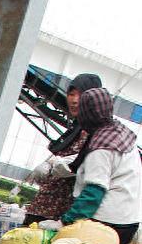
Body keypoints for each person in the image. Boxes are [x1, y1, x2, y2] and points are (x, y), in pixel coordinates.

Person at [42, 87, 141, 244]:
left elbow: (94, 192)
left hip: (106, 223)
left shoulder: (101, 148)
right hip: (128, 221)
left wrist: (64, 222)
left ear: (86, 115)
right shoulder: (118, 131)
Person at [25, 73, 102, 226]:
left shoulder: (96, 130)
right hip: (44, 205)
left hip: (61, 212)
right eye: (71, 94)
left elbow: (81, 161)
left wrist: (53, 163)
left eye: (80, 95)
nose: (74, 100)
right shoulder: (77, 126)